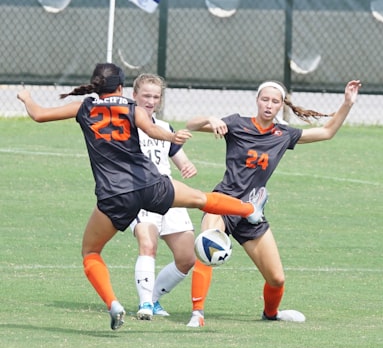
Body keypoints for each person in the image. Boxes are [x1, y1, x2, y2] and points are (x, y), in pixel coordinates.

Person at [16, 62, 267, 330]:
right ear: (122, 87)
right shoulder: (130, 107)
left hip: (114, 195)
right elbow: (151, 129)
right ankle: (249, 210)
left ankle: (113, 304)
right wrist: (172, 135)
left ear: (95, 85)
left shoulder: (84, 107)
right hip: (149, 184)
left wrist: (27, 97)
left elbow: (39, 115)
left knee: (91, 251)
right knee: (200, 199)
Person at [182, 78, 361, 328]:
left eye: (274, 101)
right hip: (223, 202)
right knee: (208, 245)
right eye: (264, 99)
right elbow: (190, 124)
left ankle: (271, 314)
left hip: (253, 212)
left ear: (281, 106)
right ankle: (197, 314)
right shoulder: (236, 123)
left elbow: (327, 132)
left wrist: (347, 104)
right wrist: (210, 119)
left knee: (276, 279)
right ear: (257, 100)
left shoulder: (283, 134)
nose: (268, 105)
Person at [129, 74, 198, 320]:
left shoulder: (166, 127)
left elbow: (178, 157)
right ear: (134, 95)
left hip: (169, 194)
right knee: (148, 246)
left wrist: (187, 165)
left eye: (155, 97)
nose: (150, 101)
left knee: (187, 258)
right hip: (141, 195)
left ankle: (154, 298)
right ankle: (145, 304)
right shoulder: (126, 126)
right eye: (146, 95)